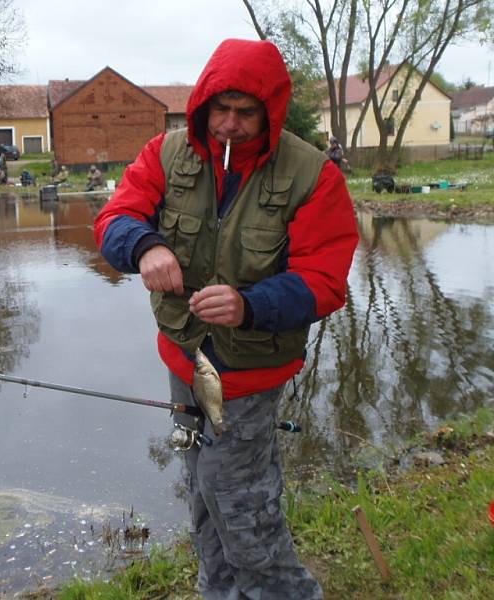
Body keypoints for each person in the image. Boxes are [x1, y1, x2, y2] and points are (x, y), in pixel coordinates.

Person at [94, 39, 358, 599]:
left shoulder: (314, 175)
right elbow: (116, 216)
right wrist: (142, 247)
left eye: (246, 112)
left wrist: (250, 305)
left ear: (270, 112)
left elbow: (326, 278)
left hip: (250, 372)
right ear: (202, 105)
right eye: (221, 109)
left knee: (241, 504)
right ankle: (220, 593)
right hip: (181, 360)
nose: (230, 124)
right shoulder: (165, 155)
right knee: (202, 492)